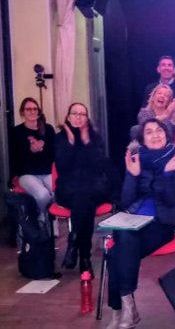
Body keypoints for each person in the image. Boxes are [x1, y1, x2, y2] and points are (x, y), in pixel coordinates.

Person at [106, 119, 175, 329]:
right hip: (133, 220)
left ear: (167, 135)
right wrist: (132, 176)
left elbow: (172, 199)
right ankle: (126, 309)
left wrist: (167, 173)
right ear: (143, 139)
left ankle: (121, 311)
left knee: (116, 252)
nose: (155, 135)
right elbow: (126, 201)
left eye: (159, 130)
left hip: (161, 223)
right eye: (149, 132)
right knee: (123, 240)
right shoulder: (136, 160)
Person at [55, 102, 117, 274]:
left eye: (82, 114)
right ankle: (85, 258)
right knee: (84, 200)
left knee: (83, 196)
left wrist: (86, 142)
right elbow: (62, 166)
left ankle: (74, 242)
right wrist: (71, 142)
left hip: (93, 186)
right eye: (75, 113)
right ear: (68, 117)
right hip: (68, 188)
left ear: (87, 119)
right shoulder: (60, 138)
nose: (78, 117)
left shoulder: (94, 137)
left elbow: (99, 166)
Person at [9, 98, 55, 224]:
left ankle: (49, 220)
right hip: (27, 173)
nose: (32, 112)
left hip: (47, 171)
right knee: (43, 195)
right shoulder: (16, 132)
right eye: (28, 109)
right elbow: (14, 156)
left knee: (57, 192)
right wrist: (31, 150)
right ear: (22, 112)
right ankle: (42, 217)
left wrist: (42, 149)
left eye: (35, 109)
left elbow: (54, 154)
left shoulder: (48, 129)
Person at [143, 56, 175, 131]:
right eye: (163, 65)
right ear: (158, 69)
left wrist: (172, 115)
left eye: (169, 65)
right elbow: (144, 110)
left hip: (172, 127)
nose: (166, 68)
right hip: (150, 126)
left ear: (174, 70)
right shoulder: (149, 88)